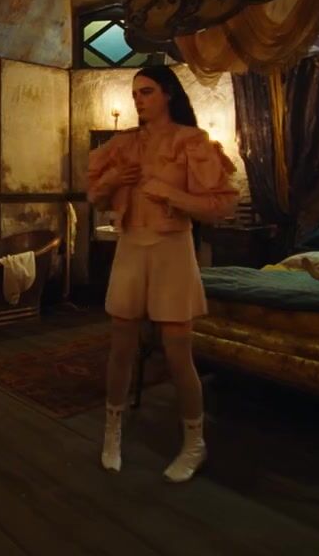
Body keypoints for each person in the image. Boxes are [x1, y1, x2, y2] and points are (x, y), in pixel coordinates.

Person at [86, 64, 238, 482]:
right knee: (120, 345)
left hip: (173, 249)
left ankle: (195, 443)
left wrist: (172, 194)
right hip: (131, 246)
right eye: (135, 93)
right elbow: (94, 195)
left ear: (168, 93)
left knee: (176, 350)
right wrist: (113, 178)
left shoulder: (192, 141)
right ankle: (112, 432)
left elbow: (222, 205)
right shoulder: (123, 144)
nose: (138, 99)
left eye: (147, 91)